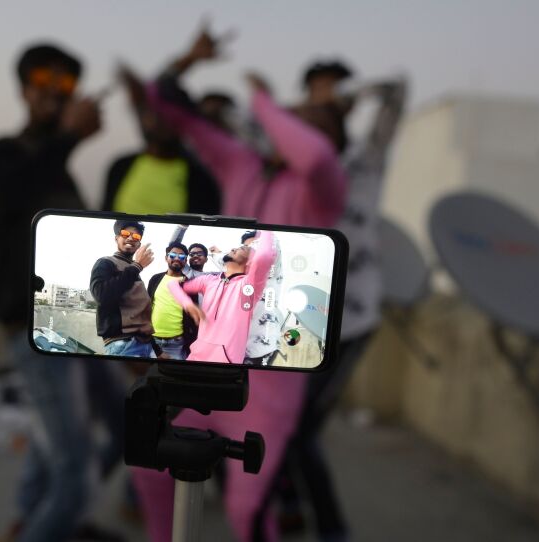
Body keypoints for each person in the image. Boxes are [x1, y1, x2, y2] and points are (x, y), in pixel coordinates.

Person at [130, 23, 346, 542]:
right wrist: (190, 59)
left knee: (248, 514)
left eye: (309, 122)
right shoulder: (242, 167)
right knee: (146, 466)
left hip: (270, 383)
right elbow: (164, 103)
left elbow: (314, 156)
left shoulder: (325, 188)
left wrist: (265, 104)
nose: (294, 127)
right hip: (207, 361)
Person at [0, 43, 124, 542]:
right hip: (35, 332)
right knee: (74, 467)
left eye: (67, 84)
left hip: (79, 327)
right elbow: (7, 199)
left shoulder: (60, 172)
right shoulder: (3, 156)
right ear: (23, 88)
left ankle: (41, 521)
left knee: (97, 439)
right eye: (45, 78)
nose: (56, 90)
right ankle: (57, 517)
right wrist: (66, 138)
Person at [277, 59, 409, 541]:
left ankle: (331, 527)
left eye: (332, 97)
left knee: (300, 426)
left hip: (349, 323)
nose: (323, 105)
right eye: (316, 96)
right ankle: (289, 499)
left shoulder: (365, 160)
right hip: (299, 316)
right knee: (285, 421)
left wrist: (352, 91)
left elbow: (397, 89)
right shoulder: (291, 168)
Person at [101, 65, 221, 215]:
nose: (158, 120)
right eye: (152, 111)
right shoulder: (121, 166)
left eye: (167, 113)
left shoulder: (201, 182)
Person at [168, 230, 276, 364]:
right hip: (195, 357)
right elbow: (173, 285)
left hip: (226, 363)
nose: (233, 248)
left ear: (250, 262)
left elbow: (265, 256)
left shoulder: (249, 286)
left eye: (242, 248)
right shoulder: (208, 280)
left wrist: (266, 226)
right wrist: (187, 304)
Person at [210, 230, 284, 366]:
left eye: (255, 246)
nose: (251, 251)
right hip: (235, 348)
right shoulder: (241, 272)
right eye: (245, 248)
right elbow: (227, 261)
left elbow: (271, 246)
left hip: (260, 349)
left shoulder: (271, 270)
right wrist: (216, 253)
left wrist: (263, 226)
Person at [89, 220, 157, 357]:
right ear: (116, 238)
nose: (131, 238)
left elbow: (142, 319)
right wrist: (137, 266)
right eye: (126, 234)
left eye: (137, 236)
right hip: (122, 344)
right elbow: (101, 295)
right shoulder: (106, 263)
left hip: (144, 344)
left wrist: (158, 351)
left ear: (139, 244)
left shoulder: (134, 271)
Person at [146, 242, 198, 359]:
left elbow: (193, 316)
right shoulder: (155, 279)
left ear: (185, 261)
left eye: (181, 257)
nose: (177, 259)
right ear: (166, 258)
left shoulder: (190, 284)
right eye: (173, 255)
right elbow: (146, 308)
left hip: (178, 344)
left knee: (175, 376)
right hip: (152, 341)